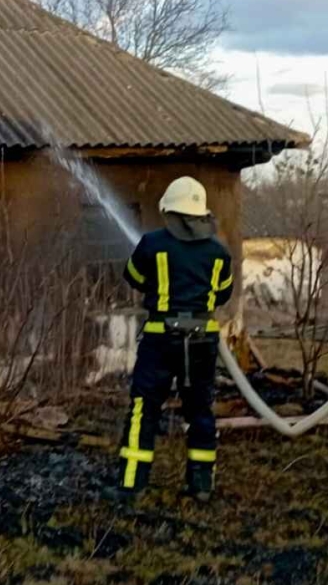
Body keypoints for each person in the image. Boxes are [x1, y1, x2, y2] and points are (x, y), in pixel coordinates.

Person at [118, 176, 233, 502]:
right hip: (202, 341)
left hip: (160, 340)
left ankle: (132, 485)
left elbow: (134, 277)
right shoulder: (219, 253)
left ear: (170, 211)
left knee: (144, 409)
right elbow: (223, 294)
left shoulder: (152, 243)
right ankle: (201, 487)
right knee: (200, 409)